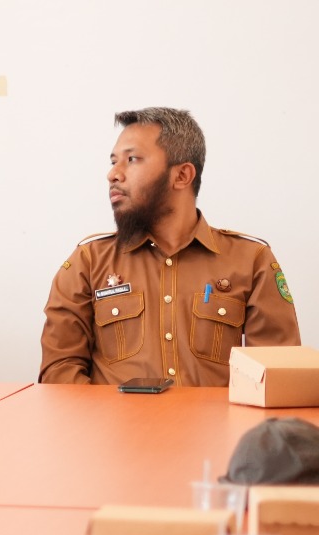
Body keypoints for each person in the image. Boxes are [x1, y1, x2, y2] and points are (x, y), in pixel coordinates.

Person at [40, 107, 300, 386]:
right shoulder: (88, 261)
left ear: (182, 176)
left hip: (218, 430)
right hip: (114, 429)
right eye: (114, 161)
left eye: (132, 159)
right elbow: (59, 371)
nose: (113, 174)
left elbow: (278, 376)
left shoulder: (251, 260)